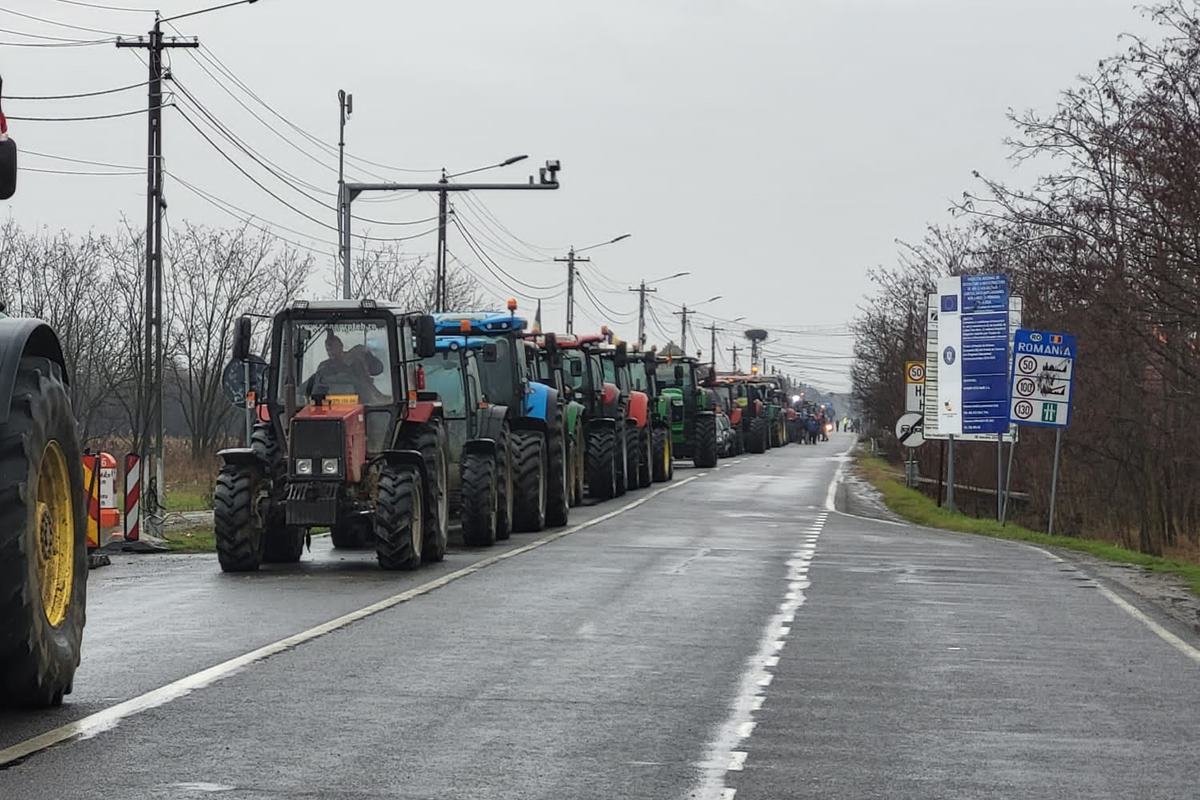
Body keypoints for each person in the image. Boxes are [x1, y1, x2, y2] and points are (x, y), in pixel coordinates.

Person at [306, 331, 386, 402]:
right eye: (328, 350)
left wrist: (379, 397)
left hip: (359, 401)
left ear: (341, 346)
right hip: (330, 403)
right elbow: (315, 387)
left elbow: (366, 382)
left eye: (333, 348)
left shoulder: (355, 362)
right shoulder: (323, 366)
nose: (331, 352)